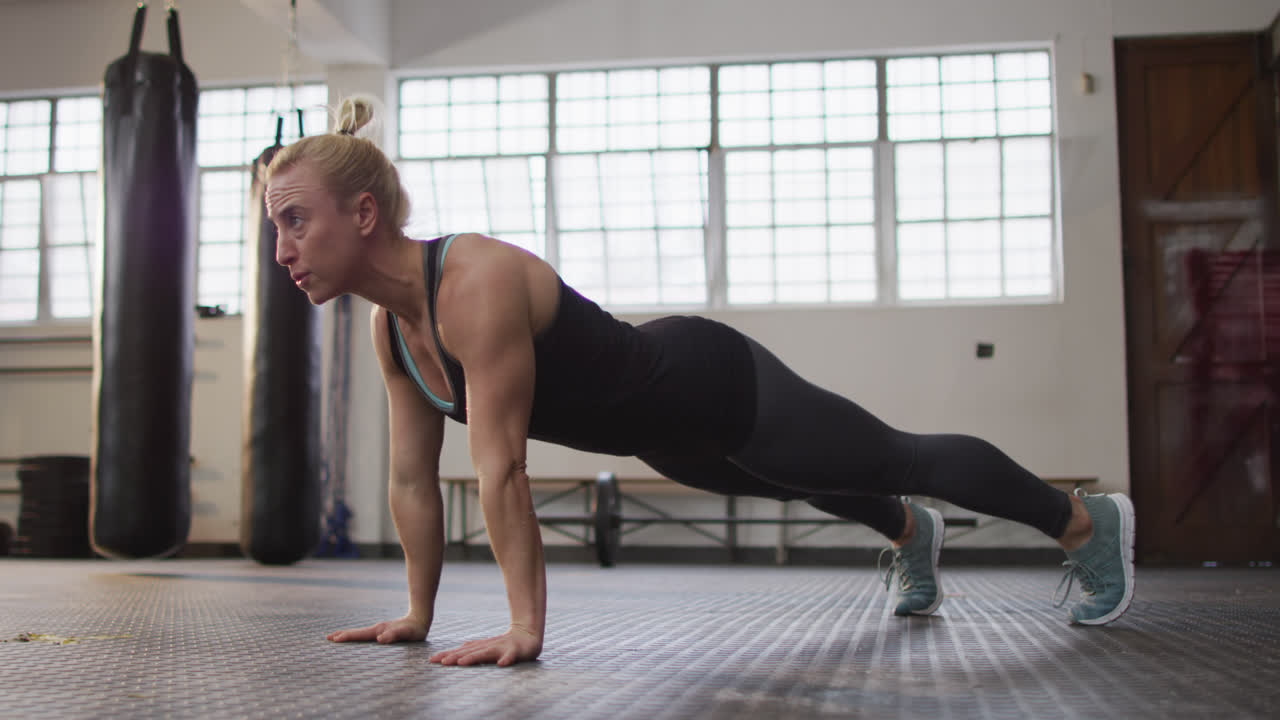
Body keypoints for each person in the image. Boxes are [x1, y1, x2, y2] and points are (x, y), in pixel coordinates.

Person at [264, 98, 1135, 668]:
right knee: (800, 479)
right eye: (275, 227)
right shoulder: (392, 330)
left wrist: (526, 630)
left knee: (884, 455)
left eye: (295, 220)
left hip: (706, 382)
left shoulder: (473, 285)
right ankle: (913, 535)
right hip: (661, 436)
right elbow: (413, 479)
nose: (282, 251)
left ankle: (1087, 523)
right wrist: (417, 613)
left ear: (364, 214)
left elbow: (502, 470)